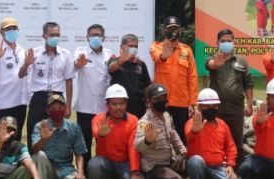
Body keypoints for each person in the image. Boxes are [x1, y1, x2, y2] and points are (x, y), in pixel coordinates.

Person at [21, 21, 75, 148]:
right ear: (44, 36)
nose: (55, 38)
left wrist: (68, 105)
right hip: (39, 98)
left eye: (57, 35)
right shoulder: (34, 53)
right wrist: (26, 64)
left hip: (57, 99)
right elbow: (21, 75)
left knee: (57, 133)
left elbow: (69, 80)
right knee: (33, 132)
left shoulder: (66, 54)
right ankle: (34, 163)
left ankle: (55, 164)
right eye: (51, 35)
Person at [186, 88, 245, 179]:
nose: (211, 109)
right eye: (207, 106)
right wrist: (194, 130)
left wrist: (230, 165)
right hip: (200, 166)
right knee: (195, 161)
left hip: (218, 167)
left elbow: (231, 147)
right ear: (200, 107)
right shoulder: (192, 123)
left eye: (214, 106)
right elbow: (188, 137)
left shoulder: (222, 125)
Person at [205, 29, 253, 167]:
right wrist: (216, 64)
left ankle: (238, 170)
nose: (226, 43)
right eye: (223, 41)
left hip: (236, 109)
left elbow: (248, 84)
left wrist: (249, 105)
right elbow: (209, 65)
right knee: (217, 141)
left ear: (234, 42)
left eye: (229, 41)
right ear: (217, 43)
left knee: (237, 141)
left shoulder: (242, 62)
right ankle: (218, 168)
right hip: (216, 110)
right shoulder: (212, 58)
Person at [89, 84, 143, 179]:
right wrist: (101, 133)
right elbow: (95, 132)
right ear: (107, 105)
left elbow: (133, 147)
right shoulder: (99, 119)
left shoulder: (133, 120)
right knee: (94, 164)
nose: (118, 107)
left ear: (126, 104)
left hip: (124, 164)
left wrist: (135, 172)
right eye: (114, 104)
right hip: (105, 163)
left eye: (121, 103)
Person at [30, 93, 91, 179]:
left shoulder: (74, 127)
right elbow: (34, 151)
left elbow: (79, 153)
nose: (57, 110)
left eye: (60, 107)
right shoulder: (40, 126)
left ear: (65, 108)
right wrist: (43, 140)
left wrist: (80, 172)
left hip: (65, 168)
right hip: (47, 167)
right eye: (53, 108)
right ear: (48, 111)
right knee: (40, 155)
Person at [133, 83, 188, 179]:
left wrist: (183, 151)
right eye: (157, 99)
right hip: (154, 167)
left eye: (164, 97)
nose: (162, 100)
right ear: (149, 101)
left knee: (193, 164)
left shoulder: (167, 116)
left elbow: (173, 135)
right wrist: (147, 140)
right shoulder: (145, 122)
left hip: (170, 161)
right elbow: (138, 146)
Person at [150, 16, 198, 144]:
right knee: (159, 134)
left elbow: (192, 77)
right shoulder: (157, 47)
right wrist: (165, 54)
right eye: (170, 29)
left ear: (180, 30)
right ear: (164, 30)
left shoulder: (186, 51)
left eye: (176, 29)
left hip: (181, 102)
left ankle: (181, 162)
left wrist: (192, 103)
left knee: (181, 135)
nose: (173, 31)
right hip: (161, 100)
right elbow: (157, 57)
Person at [73, 24, 115, 169]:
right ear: (87, 37)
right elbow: (74, 66)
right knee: (84, 141)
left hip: (103, 108)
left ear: (104, 37)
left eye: (98, 35)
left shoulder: (110, 55)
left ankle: (102, 170)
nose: (95, 37)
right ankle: (84, 172)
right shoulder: (80, 52)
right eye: (92, 35)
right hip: (85, 106)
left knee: (104, 140)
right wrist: (78, 64)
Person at [0, 17, 27, 137]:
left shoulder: (22, 50)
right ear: (1, 32)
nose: (12, 31)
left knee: (15, 138)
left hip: (20, 103)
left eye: (14, 28)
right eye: (8, 29)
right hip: (1, 104)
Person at [107, 33, 151, 118]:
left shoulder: (141, 64)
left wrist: (149, 103)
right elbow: (111, 68)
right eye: (130, 46)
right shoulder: (114, 61)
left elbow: (147, 86)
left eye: (136, 46)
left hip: (139, 107)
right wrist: (121, 61)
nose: (133, 49)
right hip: (120, 107)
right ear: (121, 46)